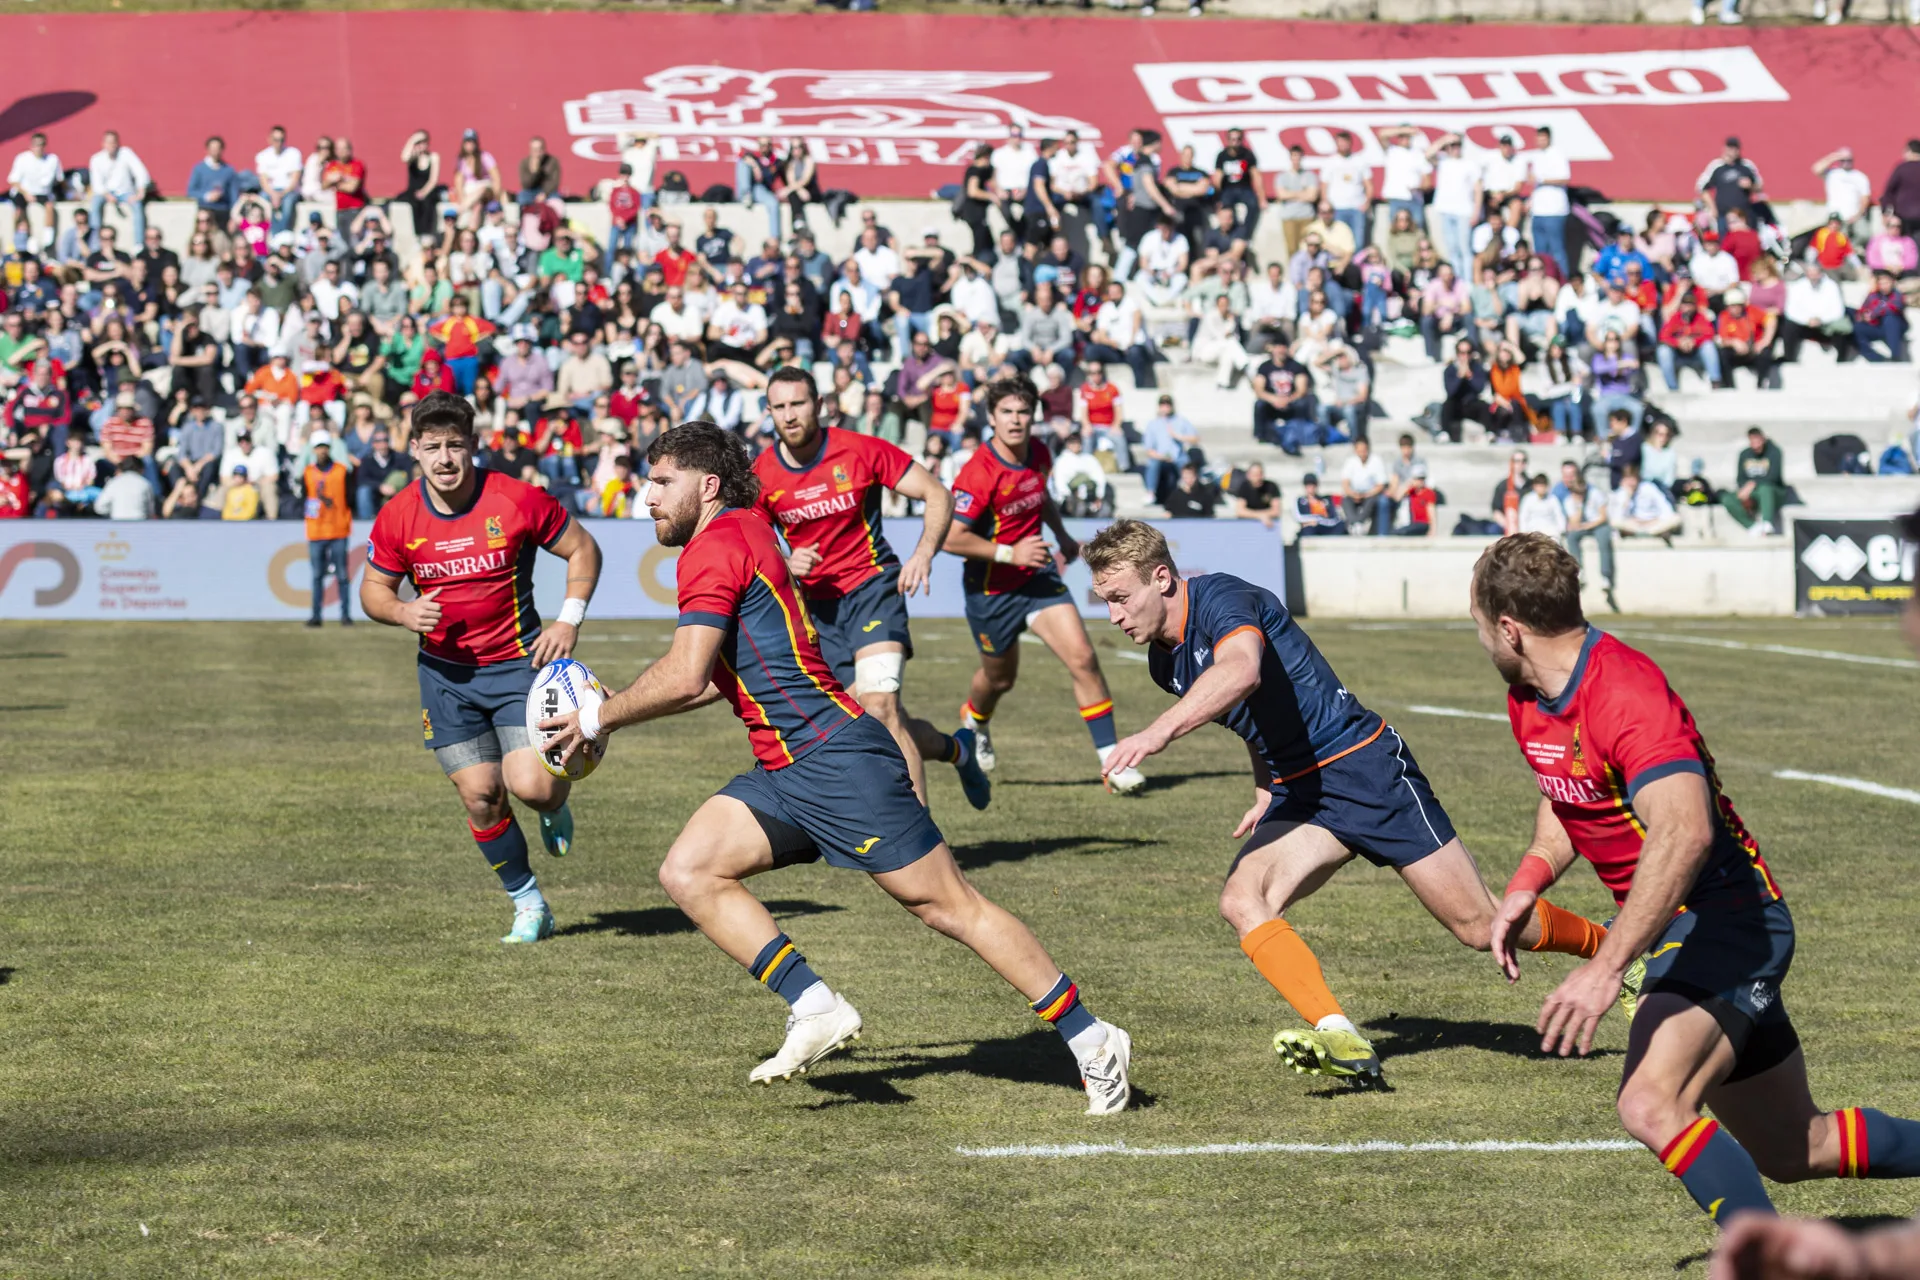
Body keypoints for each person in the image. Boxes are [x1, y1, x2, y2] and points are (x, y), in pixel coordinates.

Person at [534, 421, 1132, 1109]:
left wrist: (594, 717)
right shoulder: (746, 533)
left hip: (835, 757)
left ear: (707, 485)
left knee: (949, 907)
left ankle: (1092, 1039)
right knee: (690, 870)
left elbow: (686, 671)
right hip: (786, 766)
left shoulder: (715, 548)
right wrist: (614, 705)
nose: (648, 499)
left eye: (662, 482)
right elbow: (708, 681)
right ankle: (815, 1007)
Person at [1474, 533, 1920, 1229]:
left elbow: (1686, 832)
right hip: (1686, 929)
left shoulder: (1626, 692)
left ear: (1510, 629)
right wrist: (1528, 880)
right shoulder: (1530, 695)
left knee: (1650, 1102)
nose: (1480, 645)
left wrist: (1605, 967)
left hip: (1727, 920)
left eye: (1478, 629)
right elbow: (1571, 792)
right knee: (1796, 1146)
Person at [1087, 522, 1605, 1086]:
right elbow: (1249, 714)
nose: (1113, 615)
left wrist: (1154, 736)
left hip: (1363, 768)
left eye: (1120, 598)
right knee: (1243, 899)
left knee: (1480, 926)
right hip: (1301, 793)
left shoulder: (1224, 600)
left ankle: (1614, 948)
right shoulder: (1166, 661)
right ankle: (1341, 1035)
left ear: (1162, 578)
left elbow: (1241, 671)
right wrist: (1265, 784)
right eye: (1105, 601)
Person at [359, 391, 603, 943]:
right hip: (446, 678)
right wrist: (401, 610)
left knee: (534, 789)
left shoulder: (515, 499)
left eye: (455, 446)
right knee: (480, 796)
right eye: (432, 447)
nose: (445, 458)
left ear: (473, 446)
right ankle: (528, 903)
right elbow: (372, 589)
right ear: (414, 451)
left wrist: (568, 620)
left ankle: (552, 805)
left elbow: (583, 549)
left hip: (520, 666)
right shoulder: (399, 515)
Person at [751, 367, 989, 811]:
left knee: (880, 705)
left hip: (873, 588)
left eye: (798, 403)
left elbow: (938, 493)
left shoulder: (859, 450)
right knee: (868, 721)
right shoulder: (762, 473)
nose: (789, 415)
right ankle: (958, 749)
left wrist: (923, 554)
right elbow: (750, 540)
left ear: (819, 405)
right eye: (779, 407)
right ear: (769, 412)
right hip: (817, 611)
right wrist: (785, 559)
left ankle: (924, 850)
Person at [946, 376, 1143, 794]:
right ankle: (974, 721)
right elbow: (950, 537)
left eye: (1023, 412)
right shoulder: (977, 473)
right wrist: (1008, 553)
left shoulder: (1037, 451)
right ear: (992, 417)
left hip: (1037, 578)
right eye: (1007, 412)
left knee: (1084, 658)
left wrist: (1064, 536)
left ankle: (1112, 762)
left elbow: (1040, 498)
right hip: (991, 591)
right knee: (999, 680)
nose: (1016, 420)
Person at [300, 432, 356, 627]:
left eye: (324, 446)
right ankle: (316, 615)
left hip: (338, 528)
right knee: (317, 575)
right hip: (316, 530)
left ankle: (345, 615)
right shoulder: (307, 473)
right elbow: (304, 498)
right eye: (318, 447)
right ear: (313, 450)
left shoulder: (342, 471)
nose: (321, 450)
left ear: (329, 448)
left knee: (341, 574)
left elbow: (350, 497)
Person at [1720, 426, 1786, 536]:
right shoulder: (1744, 454)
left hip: (1773, 492)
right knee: (1727, 499)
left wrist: (1753, 484)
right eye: (1752, 441)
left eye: (1758, 441)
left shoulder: (1774, 452)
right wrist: (1744, 491)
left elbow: (1774, 477)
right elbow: (1740, 478)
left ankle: (1767, 523)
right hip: (1752, 492)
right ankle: (1752, 526)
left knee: (1766, 488)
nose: (1756, 445)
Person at [1338, 436, 1391, 536]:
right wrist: (1353, 494)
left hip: (1371, 494)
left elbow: (1381, 485)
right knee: (1346, 501)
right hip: (1354, 494)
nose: (1362, 453)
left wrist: (1367, 494)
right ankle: (1355, 524)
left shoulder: (1376, 460)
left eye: (1364, 450)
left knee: (1376, 501)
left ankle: (1360, 522)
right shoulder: (1350, 462)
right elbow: (1345, 483)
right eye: (1359, 450)